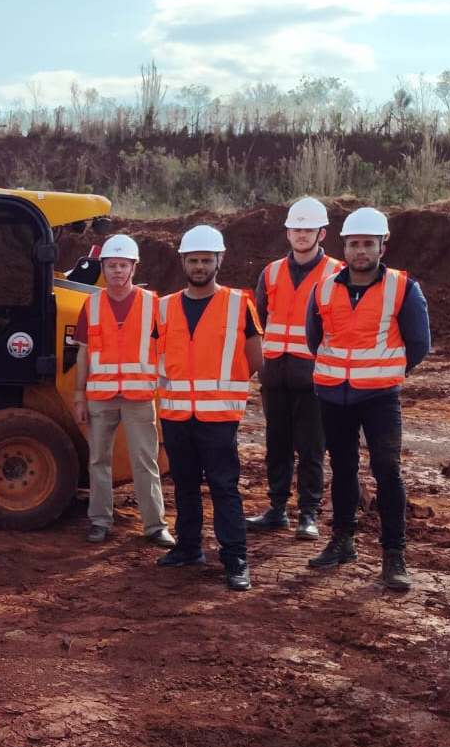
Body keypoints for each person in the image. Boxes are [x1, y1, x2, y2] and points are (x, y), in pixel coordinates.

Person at [305, 206, 431, 589]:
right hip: (333, 395)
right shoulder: (324, 287)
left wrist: (387, 373)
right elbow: (316, 338)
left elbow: (419, 344)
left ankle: (394, 555)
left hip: (380, 398)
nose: (360, 251)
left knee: (387, 472)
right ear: (344, 246)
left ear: (382, 245)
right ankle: (343, 541)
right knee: (342, 468)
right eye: (354, 244)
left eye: (367, 244)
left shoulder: (403, 287)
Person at [154, 225, 262, 591]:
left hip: (218, 417)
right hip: (176, 415)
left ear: (219, 261)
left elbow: (255, 357)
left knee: (223, 487)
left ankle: (235, 559)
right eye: (193, 260)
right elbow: (156, 357)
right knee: (184, 484)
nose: (199, 266)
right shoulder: (164, 307)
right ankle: (188, 548)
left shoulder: (238, 303)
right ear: (183, 262)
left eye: (206, 260)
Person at [246, 197, 342, 542]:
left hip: (315, 378)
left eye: (308, 229)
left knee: (312, 447)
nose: (302, 235)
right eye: (296, 229)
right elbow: (257, 323)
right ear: (287, 233)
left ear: (322, 233)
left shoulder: (336, 273)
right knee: (277, 445)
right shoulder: (270, 272)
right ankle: (276, 509)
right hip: (275, 376)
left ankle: (308, 514)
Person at [71, 233, 175, 548]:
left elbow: (168, 350)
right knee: (98, 460)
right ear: (103, 267)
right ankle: (100, 521)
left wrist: (168, 390)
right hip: (100, 397)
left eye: (123, 265)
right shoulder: (91, 304)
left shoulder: (153, 305)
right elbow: (83, 353)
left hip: (139, 397)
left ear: (134, 268)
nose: (117, 271)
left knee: (145, 460)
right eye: (111, 265)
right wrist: (79, 395)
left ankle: (155, 525)